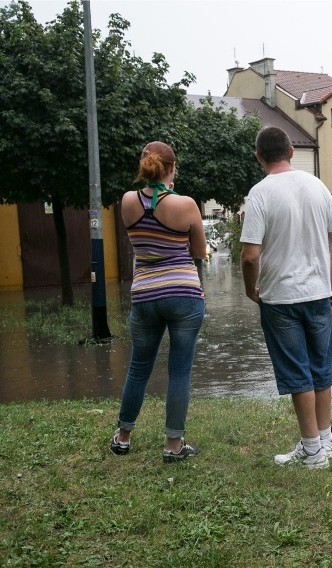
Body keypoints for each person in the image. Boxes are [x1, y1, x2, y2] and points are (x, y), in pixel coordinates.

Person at [241, 127, 332, 470]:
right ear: (290, 149)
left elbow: (249, 256)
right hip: (318, 293)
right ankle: (326, 438)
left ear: (259, 157)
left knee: (297, 372)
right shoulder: (317, 185)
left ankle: (313, 451)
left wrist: (249, 288)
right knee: (320, 368)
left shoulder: (259, 194)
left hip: (280, 298)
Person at [109, 141, 207, 464]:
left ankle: (123, 438)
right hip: (183, 294)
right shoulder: (187, 206)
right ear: (171, 168)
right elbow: (198, 252)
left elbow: (142, 243)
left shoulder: (126, 203)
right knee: (179, 371)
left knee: (138, 367)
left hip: (145, 295)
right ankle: (173, 445)